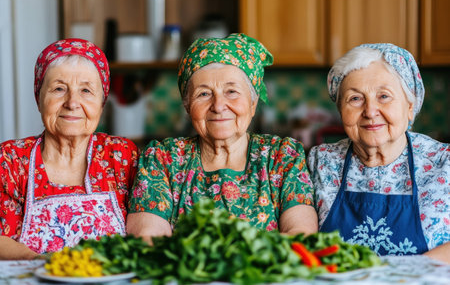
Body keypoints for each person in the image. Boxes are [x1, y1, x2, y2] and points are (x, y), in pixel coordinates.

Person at [127, 33, 317, 242]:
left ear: (253, 104)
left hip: (264, 274)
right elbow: (149, 242)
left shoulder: (282, 156)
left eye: (232, 92)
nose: (218, 106)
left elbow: (301, 237)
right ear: (188, 106)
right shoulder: (163, 159)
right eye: (204, 94)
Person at [307, 43, 449, 262]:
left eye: (384, 96)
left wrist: (399, 274)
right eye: (355, 99)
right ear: (340, 110)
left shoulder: (445, 163)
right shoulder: (320, 162)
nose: (370, 112)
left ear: (410, 107)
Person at [0, 39, 139, 259]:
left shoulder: (120, 156)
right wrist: (47, 265)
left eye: (86, 90)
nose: (72, 102)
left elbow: (144, 232)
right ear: (39, 99)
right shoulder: (11, 159)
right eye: (58, 89)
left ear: (101, 103)